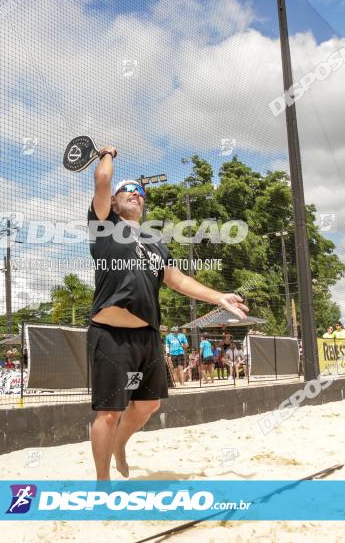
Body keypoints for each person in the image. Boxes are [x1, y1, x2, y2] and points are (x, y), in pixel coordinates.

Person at [86, 144, 249, 480]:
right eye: (127, 191)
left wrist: (219, 297)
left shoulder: (154, 241)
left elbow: (177, 280)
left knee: (149, 405)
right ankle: (102, 485)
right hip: (110, 334)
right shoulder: (104, 224)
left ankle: (119, 445)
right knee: (108, 413)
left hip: (147, 335)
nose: (135, 194)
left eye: (141, 192)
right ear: (114, 202)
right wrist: (107, 154)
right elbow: (102, 181)